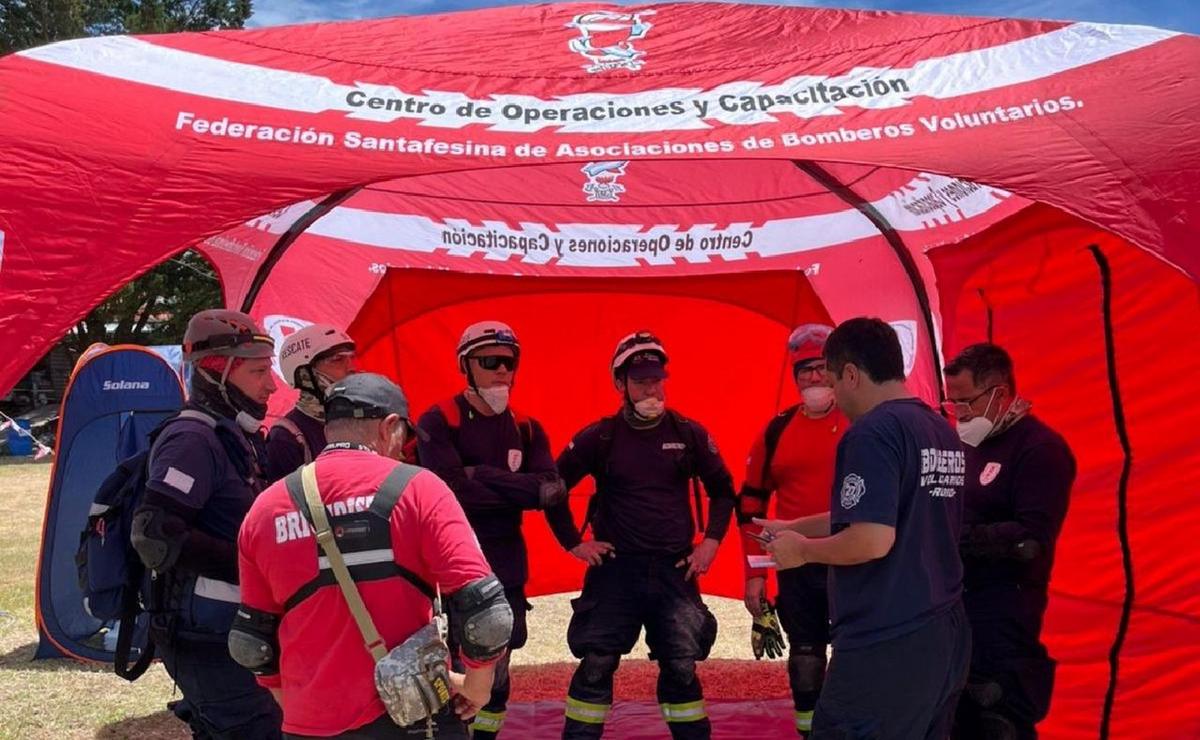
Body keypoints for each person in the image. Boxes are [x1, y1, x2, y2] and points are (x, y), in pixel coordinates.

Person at [232, 373, 512, 739]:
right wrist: (477, 686)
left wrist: (299, 708)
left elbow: (252, 641)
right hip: (412, 717)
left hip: (309, 725)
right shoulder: (419, 489)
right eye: (406, 438)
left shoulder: (264, 509)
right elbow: (487, 611)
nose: (405, 449)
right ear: (390, 427)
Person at [756, 317, 969, 740]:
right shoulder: (938, 429)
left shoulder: (872, 432)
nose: (831, 393)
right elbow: (886, 510)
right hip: (944, 630)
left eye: (832, 381)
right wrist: (795, 525)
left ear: (851, 374)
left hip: (886, 636)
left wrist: (803, 551)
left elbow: (872, 538)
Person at [556, 331, 737, 740]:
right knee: (598, 662)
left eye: (657, 379)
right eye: (641, 381)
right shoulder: (599, 437)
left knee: (681, 665)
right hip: (615, 573)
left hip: (675, 571)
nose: (652, 388)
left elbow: (724, 490)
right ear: (620, 384)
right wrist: (573, 542)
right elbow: (552, 487)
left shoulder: (689, 434)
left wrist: (710, 542)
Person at [415, 321, 576, 739]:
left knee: (502, 658)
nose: (502, 371)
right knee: (455, 662)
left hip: (507, 562)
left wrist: (481, 475)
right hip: (452, 562)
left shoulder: (527, 427)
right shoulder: (439, 420)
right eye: (490, 362)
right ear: (465, 367)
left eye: (509, 362)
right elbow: (447, 491)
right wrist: (518, 491)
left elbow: (551, 492)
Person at [130, 308, 283, 738]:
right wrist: (251, 565)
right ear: (216, 371)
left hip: (234, 629)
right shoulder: (191, 440)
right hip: (208, 639)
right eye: (257, 372)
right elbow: (154, 533)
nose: (271, 384)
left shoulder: (233, 435)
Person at [943, 344, 1075, 740]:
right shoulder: (963, 446)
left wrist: (960, 538)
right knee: (955, 718)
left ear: (999, 394)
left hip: (1006, 612)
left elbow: (1031, 538)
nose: (959, 412)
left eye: (965, 401)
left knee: (997, 721)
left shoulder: (1040, 449)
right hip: (954, 605)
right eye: (951, 403)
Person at [736, 324, 845, 737]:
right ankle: (809, 732)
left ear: (838, 370)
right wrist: (755, 577)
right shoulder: (778, 429)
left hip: (855, 557)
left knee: (855, 652)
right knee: (805, 654)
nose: (814, 379)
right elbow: (749, 508)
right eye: (804, 371)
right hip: (796, 564)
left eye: (820, 368)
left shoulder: (865, 422)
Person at [265, 323, 357, 482]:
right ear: (304, 374)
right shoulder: (286, 437)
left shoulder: (362, 419)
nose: (351, 368)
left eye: (351, 358)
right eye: (338, 360)